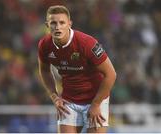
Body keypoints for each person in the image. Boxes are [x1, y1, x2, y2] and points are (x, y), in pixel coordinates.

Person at [38, 5, 116, 133]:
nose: (57, 27)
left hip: (95, 98)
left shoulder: (86, 43)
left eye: (62, 22)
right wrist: (55, 97)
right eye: (53, 23)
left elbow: (111, 74)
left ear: (70, 24)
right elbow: (45, 70)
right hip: (69, 99)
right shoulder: (44, 45)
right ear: (47, 25)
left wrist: (96, 104)